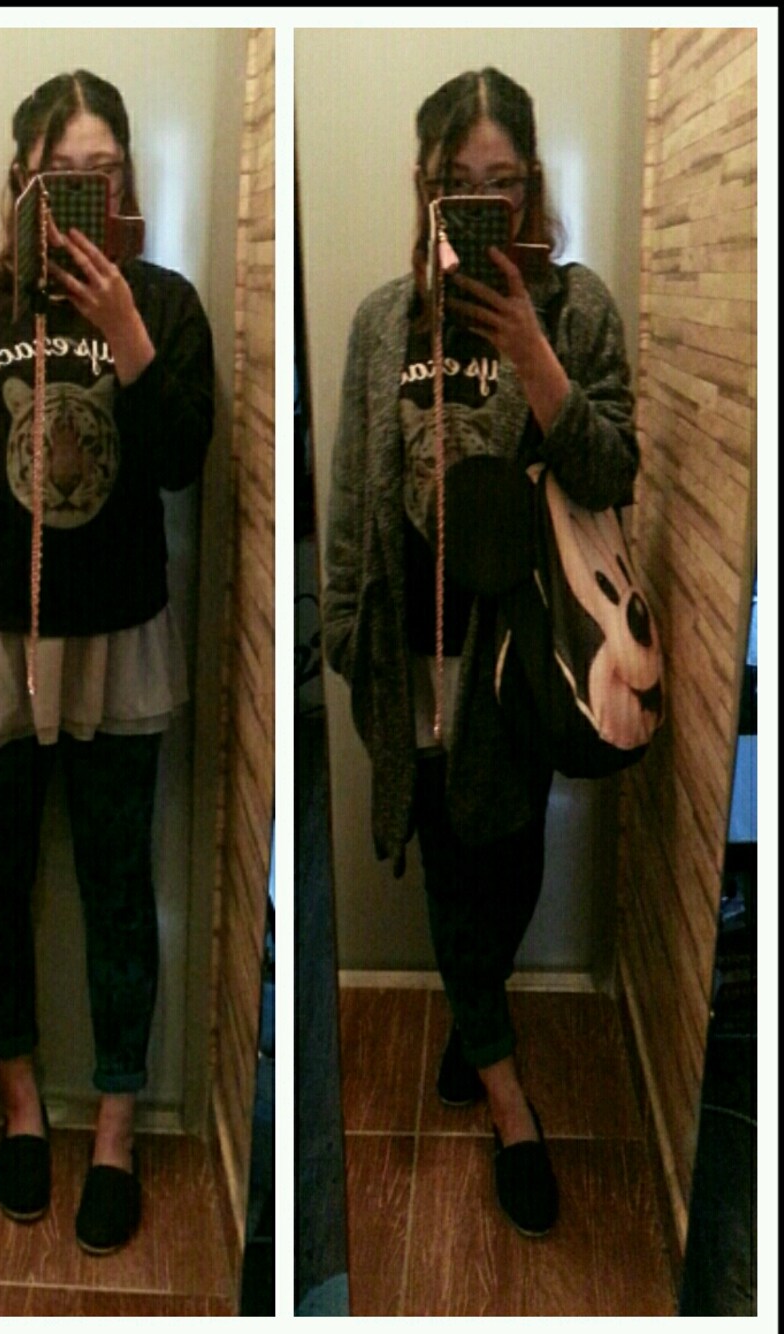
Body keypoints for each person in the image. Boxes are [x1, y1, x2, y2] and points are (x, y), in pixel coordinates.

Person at [0, 70, 214, 1254]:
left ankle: (117, 1126)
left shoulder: (166, 304)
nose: (85, 195)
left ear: (125, 188)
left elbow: (181, 459)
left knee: (119, 885)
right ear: (21, 185)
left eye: (103, 177)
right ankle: (22, 1104)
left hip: (118, 643)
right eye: (60, 178)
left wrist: (128, 336)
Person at [322, 67, 638, 1237]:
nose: (481, 202)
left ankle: (473, 1013)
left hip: (519, 662)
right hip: (410, 653)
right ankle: (508, 1098)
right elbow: (353, 483)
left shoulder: (576, 308)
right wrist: (344, 624)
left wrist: (535, 357)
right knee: (453, 867)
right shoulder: (381, 321)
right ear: (426, 187)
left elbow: (611, 472)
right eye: (459, 183)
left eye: (501, 184)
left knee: (508, 865)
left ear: (532, 187)